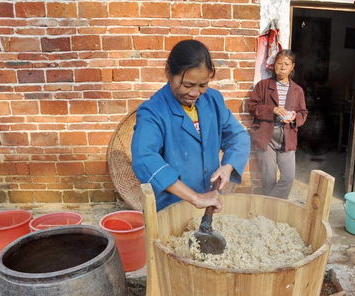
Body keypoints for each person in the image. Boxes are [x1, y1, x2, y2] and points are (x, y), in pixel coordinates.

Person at [131, 40, 250, 211]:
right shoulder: (154, 111)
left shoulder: (213, 100)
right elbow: (144, 158)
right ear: (168, 73)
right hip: (171, 207)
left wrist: (227, 166)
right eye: (187, 85)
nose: (195, 93)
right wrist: (194, 197)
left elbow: (238, 136)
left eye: (203, 85)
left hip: (210, 199)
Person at [247, 50, 308, 199]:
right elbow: (252, 107)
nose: (282, 67)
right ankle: (272, 215)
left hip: (287, 137)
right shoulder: (263, 86)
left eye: (286, 64)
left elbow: (303, 113)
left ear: (292, 67)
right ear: (274, 65)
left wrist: (294, 117)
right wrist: (272, 109)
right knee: (268, 178)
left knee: (288, 177)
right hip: (266, 136)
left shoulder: (297, 90)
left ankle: (269, 205)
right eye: (279, 63)